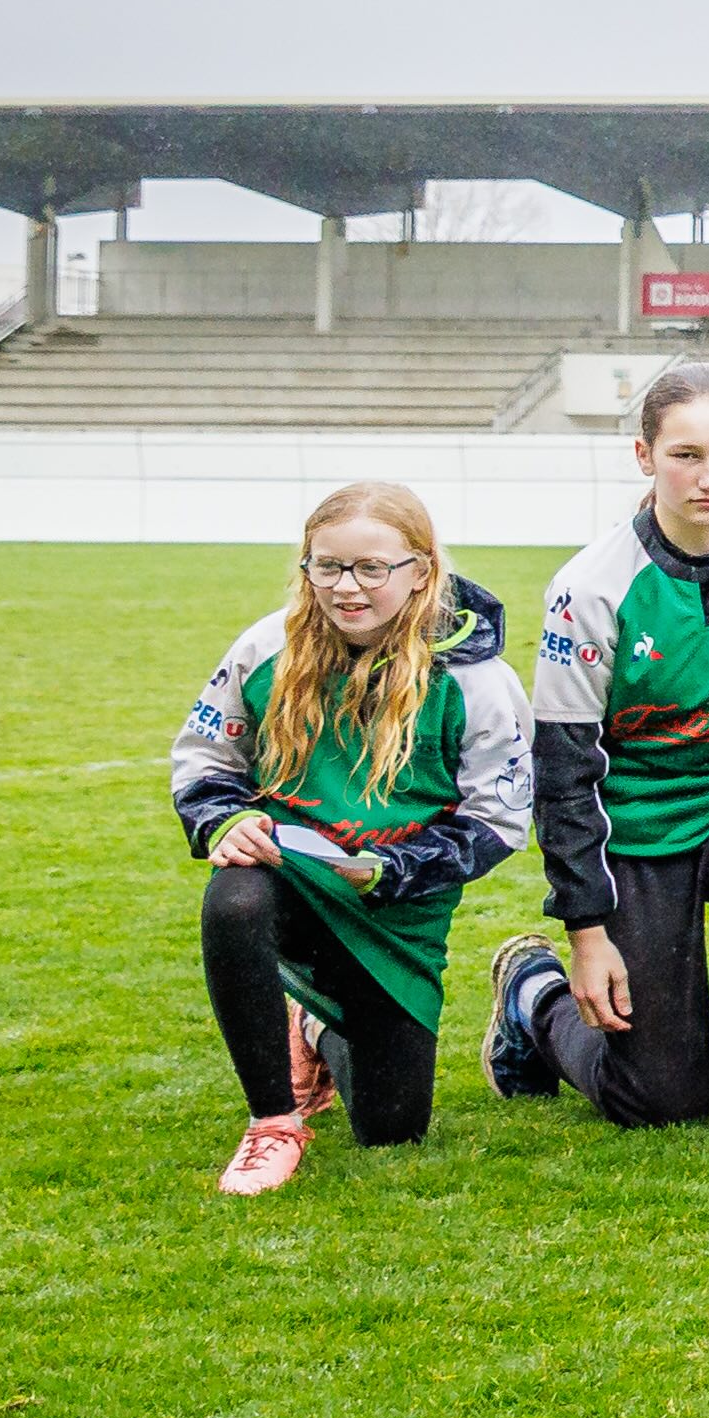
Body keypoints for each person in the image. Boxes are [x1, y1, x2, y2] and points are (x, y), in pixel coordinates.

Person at [480, 365, 709, 1139]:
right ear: (644, 455)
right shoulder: (589, 587)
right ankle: (533, 998)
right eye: (686, 454)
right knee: (658, 1100)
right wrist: (585, 933)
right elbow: (564, 773)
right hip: (635, 817)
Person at [175, 483, 531, 1193]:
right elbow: (205, 759)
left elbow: (498, 819)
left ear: (421, 571)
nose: (346, 587)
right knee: (234, 900)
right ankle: (272, 1123)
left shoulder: (479, 682)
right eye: (327, 566)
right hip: (290, 877)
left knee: (393, 1129)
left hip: (395, 912)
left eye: (373, 568)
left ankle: (313, 1031)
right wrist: (228, 819)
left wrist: (392, 869)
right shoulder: (265, 647)